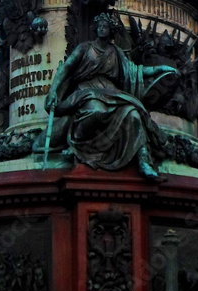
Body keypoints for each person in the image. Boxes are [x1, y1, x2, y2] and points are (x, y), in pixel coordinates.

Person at [45, 13, 175, 178]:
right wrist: (53, 91)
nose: (101, 29)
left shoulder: (116, 53)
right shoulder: (85, 48)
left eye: (105, 26)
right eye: (99, 26)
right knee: (96, 111)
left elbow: (135, 71)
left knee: (134, 114)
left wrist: (160, 69)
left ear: (111, 30)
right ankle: (76, 145)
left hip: (111, 92)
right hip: (87, 90)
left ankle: (143, 161)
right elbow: (65, 68)